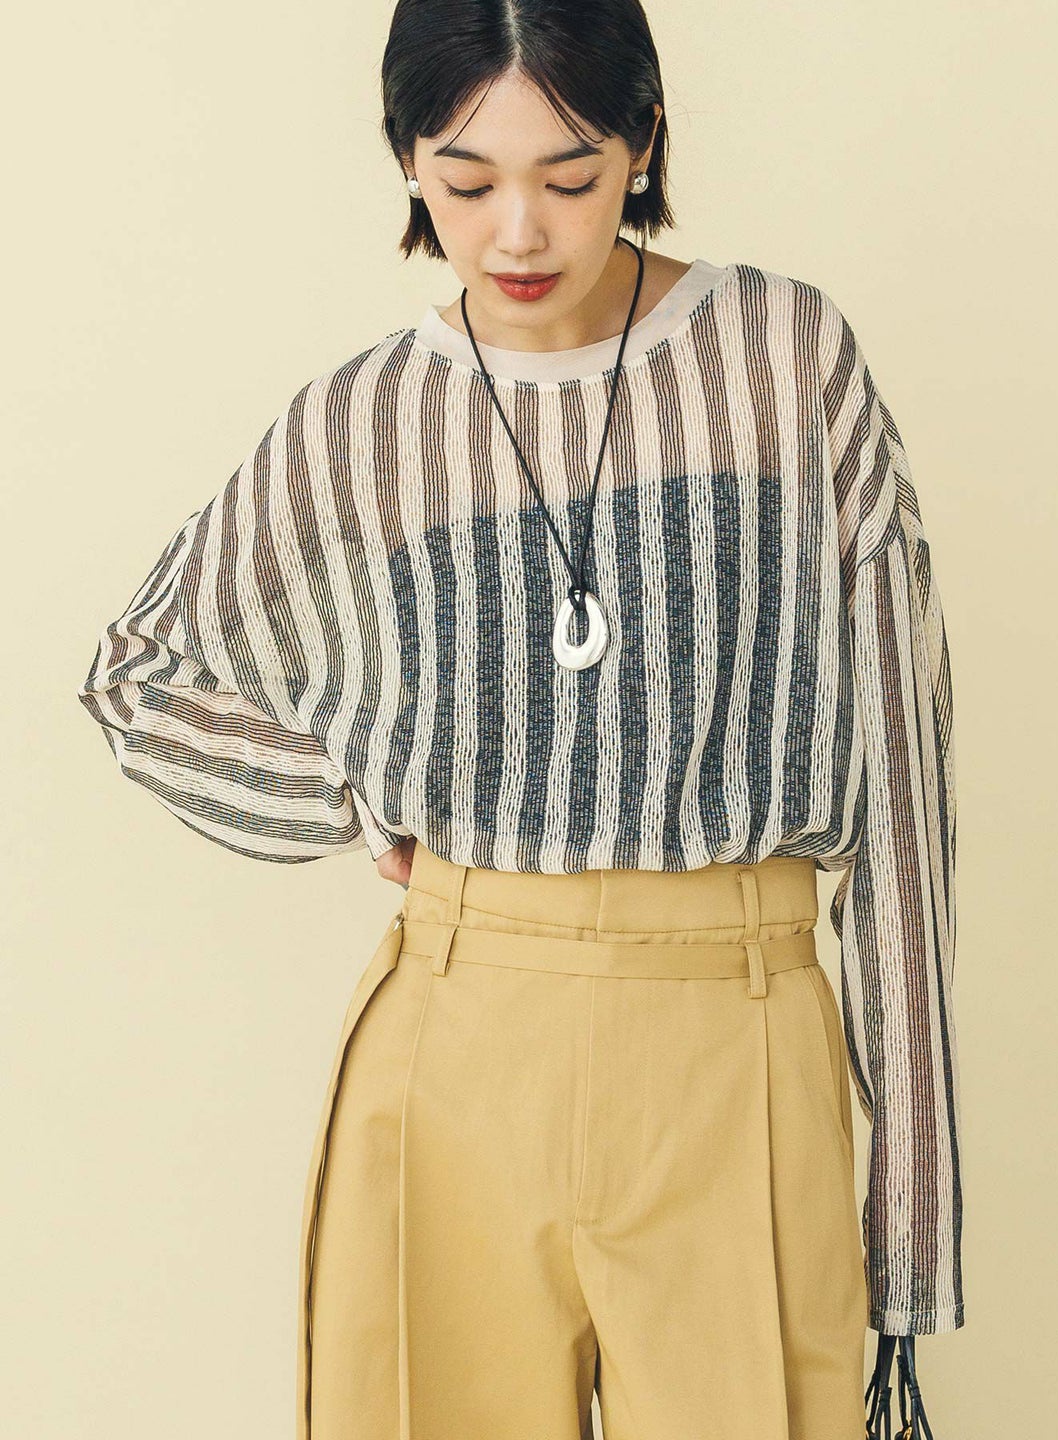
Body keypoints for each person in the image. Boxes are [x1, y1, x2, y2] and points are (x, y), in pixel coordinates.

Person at [77, 2, 963, 1437]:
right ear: (407, 162)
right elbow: (141, 674)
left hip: (737, 1033)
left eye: (570, 174)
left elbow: (903, 786)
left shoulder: (787, 361)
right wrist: (352, 796)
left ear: (644, 142)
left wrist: (911, 1234)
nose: (519, 232)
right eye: (466, 179)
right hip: (457, 1042)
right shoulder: (368, 420)